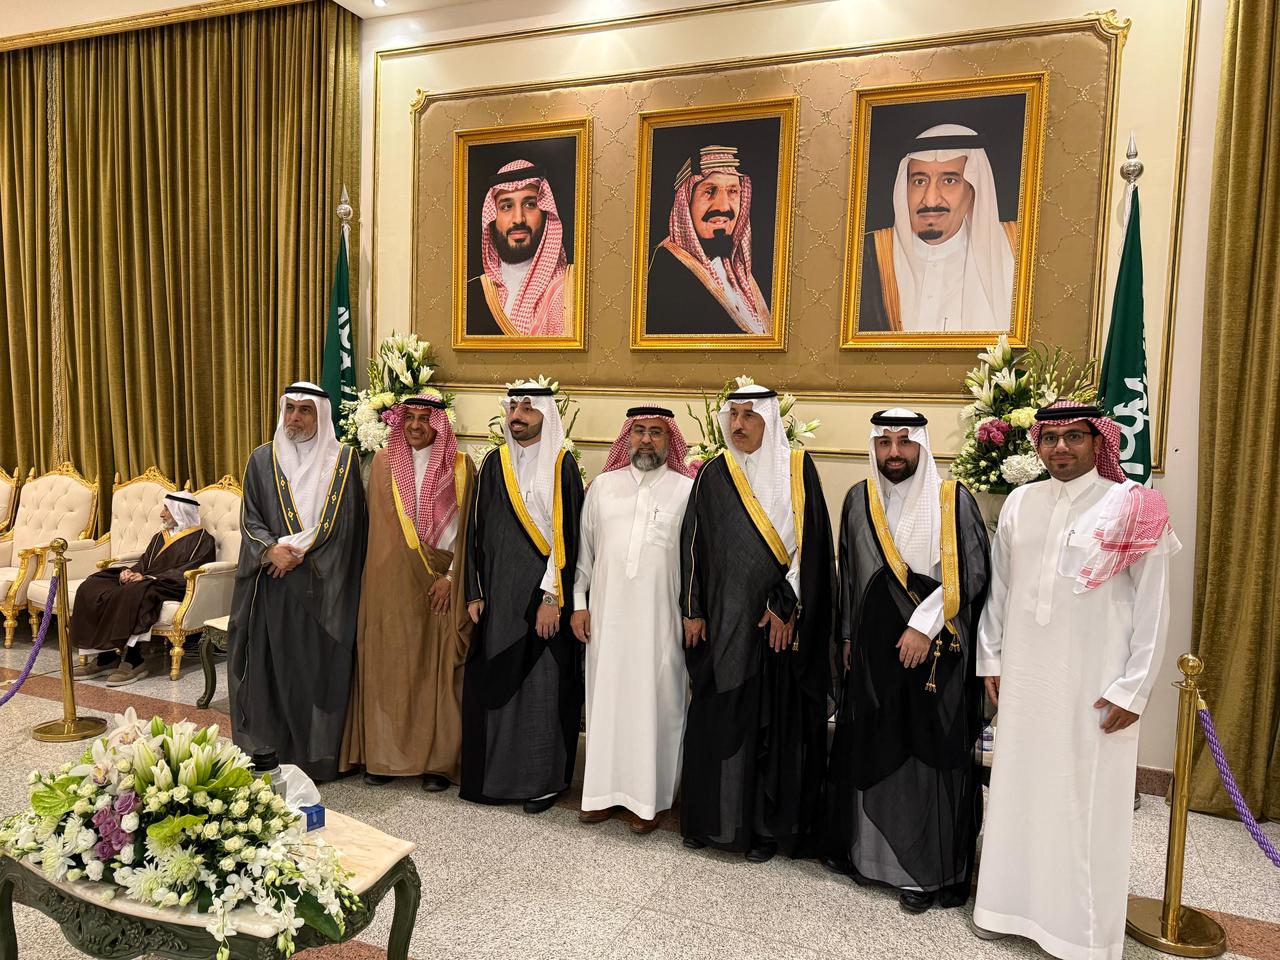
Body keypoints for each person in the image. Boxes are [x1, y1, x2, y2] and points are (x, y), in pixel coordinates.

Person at [972, 401, 1180, 959]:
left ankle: (1082, 934)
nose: (1060, 447)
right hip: (1026, 677)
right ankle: (1004, 907)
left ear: (1098, 442)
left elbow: (1154, 604)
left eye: (1074, 436)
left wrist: (1134, 688)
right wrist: (991, 658)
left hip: (1097, 683)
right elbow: (1001, 590)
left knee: (1085, 802)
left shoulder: (1134, 505)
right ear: (1037, 444)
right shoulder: (1020, 502)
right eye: (1050, 438)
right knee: (1019, 789)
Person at [825, 409, 990, 912]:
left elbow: (971, 572)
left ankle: (927, 871)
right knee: (878, 744)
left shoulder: (952, 498)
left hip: (933, 652)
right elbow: (850, 575)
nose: (894, 453)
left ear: (921, 446)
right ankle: (871, 858)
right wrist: (847, 636)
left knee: (926, 754)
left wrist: (923, 626)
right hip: (874, 652)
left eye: (904, 442)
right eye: (885, 443)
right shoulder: (859, 498)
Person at [678, 383, 834, 861]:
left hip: (775, 624)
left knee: (773, 722)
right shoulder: (714, 473)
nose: (739, 424)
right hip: (723, 623)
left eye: (750, 416)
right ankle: (714, 821)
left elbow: (812, 544)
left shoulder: (797, 468)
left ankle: (765, 830)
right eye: (734, 415)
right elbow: (693, 546)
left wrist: (786, 604)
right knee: (720, 715)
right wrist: (692, 609)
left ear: (770, 421)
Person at [227, 382, 367, 783]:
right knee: (274, 673)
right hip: (273, 586)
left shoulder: (343, 460)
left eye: (306, 410)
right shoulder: (261, 459)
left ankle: (319, 759)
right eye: (290, 408)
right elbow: (250, 518)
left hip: (326, 589)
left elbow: (352, 525)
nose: (295, 418)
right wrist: (271, 550)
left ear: (321, 415)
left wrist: (303, 554)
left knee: (319, 674)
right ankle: (272, 753)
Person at [341, 393, 476, 790]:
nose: (416, 425)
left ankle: (437, 763)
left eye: (424, 418)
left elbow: (470, 530)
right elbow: (374, 530)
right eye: (410, 417)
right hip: (389, 584)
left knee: (436, 669)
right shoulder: (383, 463)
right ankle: (384, 757)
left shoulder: (461, 466)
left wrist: (452, 577)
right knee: (388, 665)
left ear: (439, 423)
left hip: (441, 583)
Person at [570, 406, 696, 833]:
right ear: (627, 436)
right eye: (639, 431)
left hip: (661, 623)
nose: (646, 439)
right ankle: (600, 795)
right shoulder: (603, 487)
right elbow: (584, 554)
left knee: (658, 703)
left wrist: (692, 613)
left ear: (669, 439)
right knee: (605, 702)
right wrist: (579, 603)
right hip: (607, 619)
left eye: (656, 432)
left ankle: (650, 801)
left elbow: (696, 561)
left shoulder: (686, 490)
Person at [461, 381, 585, 813]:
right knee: (497, 688)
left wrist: (551, 597)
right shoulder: (494, 463)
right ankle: (497, 778)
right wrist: (474, 591)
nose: (518, 415)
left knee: (542, 691)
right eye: (513, 407)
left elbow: (568, 538)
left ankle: (542, 783)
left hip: (543, 600)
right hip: (499, 600)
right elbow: (476, 531)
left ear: (545, 415)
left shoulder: (562, 465)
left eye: (528, 408)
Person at [859, 124, 1016, 333]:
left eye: (949, 180)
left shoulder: (1014, 251)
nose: (930, 199)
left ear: (973, 189)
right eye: (919, 181)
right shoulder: (867, 256)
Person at [70, 492, 215, 687]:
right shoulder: (160, 536)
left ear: (180, 511)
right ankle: (106, 657)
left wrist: (149, 578)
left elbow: (189, 571)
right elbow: (145, 563)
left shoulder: (202, 540)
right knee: (93, 585)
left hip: (171, 585)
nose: (162, 514)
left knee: (134, 592)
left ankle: (134, 660)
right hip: (146, 581)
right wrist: (131, 572)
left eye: (166, 509)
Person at [645, 145, 771, 337]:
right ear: (686, 202)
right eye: (709, 191)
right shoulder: (669, 270)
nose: (723, 206)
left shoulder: (736, 269)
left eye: (733, 191)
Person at [466, 159, 573, 337]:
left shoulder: (569, 290)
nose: (518, 219)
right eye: (506, 206)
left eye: (530, 204)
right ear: (493, 217)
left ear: (545, 213)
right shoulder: (471, 293)